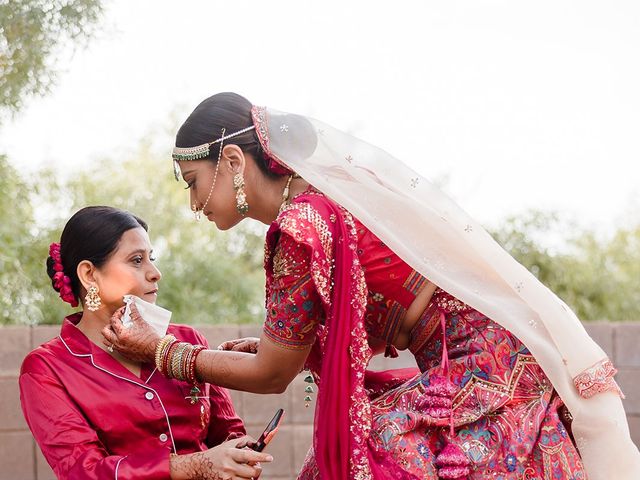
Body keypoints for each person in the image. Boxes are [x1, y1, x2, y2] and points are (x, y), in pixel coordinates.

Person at [103, 93, 640, 479]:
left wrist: (165, 352)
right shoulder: (326, 202)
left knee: (366, 455)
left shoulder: (301, 227)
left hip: (484, 372)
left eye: (195, 185)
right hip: (493, 353)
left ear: (234, 161)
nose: (194, 206)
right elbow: (368, 324)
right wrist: (295, 350)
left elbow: (271, 374)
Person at [20, 206, 272, 480]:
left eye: (152, 258)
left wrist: (240, 454)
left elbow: (227, 430)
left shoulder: (186, 341)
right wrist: (195, 465)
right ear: (90, 275)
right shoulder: (47, 367)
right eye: (137, 260)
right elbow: (83, 471)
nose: (155, 273)